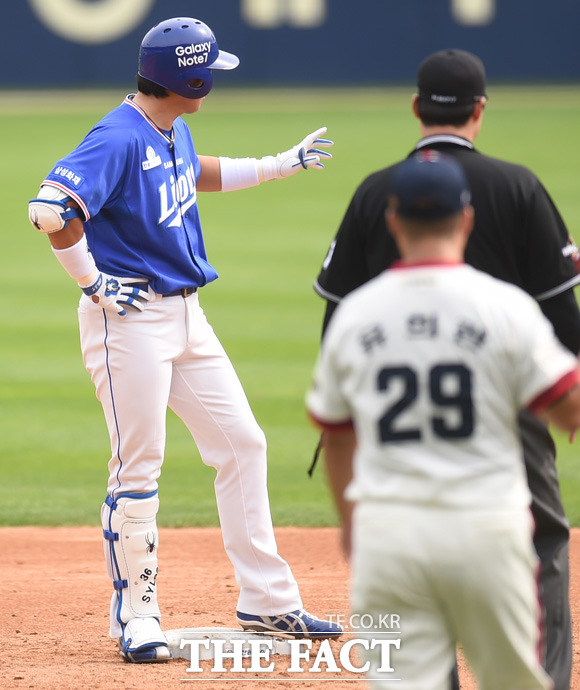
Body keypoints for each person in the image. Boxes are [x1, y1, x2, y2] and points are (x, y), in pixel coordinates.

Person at [28, 16, 342, 664]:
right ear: (188, 79)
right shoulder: (116, 136)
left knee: (242, 443)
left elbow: (190, 172)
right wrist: (92, 284)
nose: (217, 80)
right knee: (139, 467)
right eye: (210, 71)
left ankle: (267, 602)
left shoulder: (167, 125)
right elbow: (50, 210)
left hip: (186, 317)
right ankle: (137, 616)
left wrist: (281, 164)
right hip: (131, 320)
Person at [313, 49, 580, 690]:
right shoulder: (517, 195)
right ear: (479, 110)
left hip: (387, 501)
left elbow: (335, 337)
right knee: (542, 544)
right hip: (503, 430)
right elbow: (562, 320)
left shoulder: (375, 193)